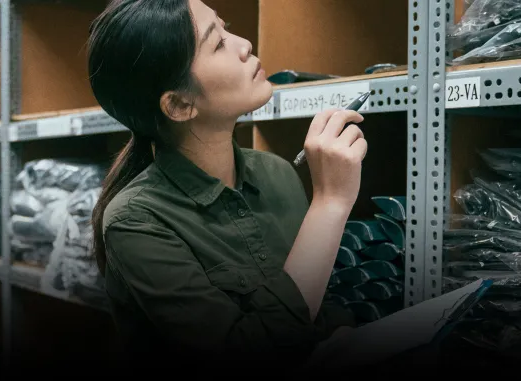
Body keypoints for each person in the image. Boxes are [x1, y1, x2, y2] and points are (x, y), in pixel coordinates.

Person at [87, 0, 368, 371]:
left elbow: (317, 305)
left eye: (226, 27)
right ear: (179, 105)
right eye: (217, 43)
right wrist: (330, 203)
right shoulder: (135, 221)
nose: (244, 45)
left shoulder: (277, 173)